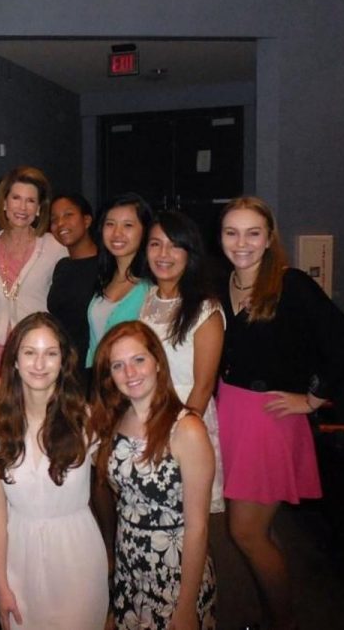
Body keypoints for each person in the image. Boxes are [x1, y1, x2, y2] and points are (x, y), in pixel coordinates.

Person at [217, 196, 344, 630]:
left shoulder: (289, 283)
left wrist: (313, 399)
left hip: (267, 420)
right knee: (260, 532)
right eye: (231, 232)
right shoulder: (226, 282)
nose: (241, 242)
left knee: (245, 532)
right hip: (232, 412)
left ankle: (282, 624)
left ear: (268, 239)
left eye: (252, 233)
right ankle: (271, 615)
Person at [0, 312, 107, 630]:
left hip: (77, 553)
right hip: (19, 556)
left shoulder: (87, 421)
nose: (39, 364)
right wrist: (0, 583)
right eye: (30, 352)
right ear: (15, 361)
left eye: (50, 353)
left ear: (63, 361)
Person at [92, 321, 217, 630]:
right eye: (118, 366)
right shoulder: (116, 422)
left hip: (174, 573)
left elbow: (198, 526)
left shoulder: (187, 429)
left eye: (138, 360)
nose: (130, 373)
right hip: (129, 565)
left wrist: (186, 606)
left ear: (158, 362)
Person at [140, 211, 225, 514]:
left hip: (186, 420)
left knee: (189, 522)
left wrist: (174, 438)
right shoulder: (148, 298)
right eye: (155, 244)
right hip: (146, 414)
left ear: (190, 253)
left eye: (174, 245)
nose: (163, 254)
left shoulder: (205, 309)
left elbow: (203, 388)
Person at [0, 166, 68, 376]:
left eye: (30, 201)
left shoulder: (55, 247)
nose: (22, 207)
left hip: (37, 350)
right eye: (16, 198)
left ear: (38, 209)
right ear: (4, 203)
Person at [85, 193, 153, 367]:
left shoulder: (152, 287)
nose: (117, 233)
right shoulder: (104, 278)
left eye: (128, 225)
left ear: (145, 230)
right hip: (99, 384)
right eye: (110, 224)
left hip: (133, 384)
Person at [47, 193, 99, 372]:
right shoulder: (63, 266)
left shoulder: (106, 266)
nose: (60, 223)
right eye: (54, 219)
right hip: (63, 364)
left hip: (93, 365)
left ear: (87, 220)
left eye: (68, 215)